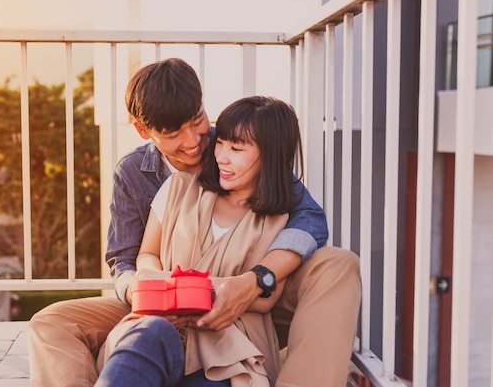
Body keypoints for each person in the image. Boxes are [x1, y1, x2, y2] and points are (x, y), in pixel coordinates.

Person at [27, 58, 361, 387]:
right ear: (144, 130)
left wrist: (256, 281)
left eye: (197, 120)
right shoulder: (135, 174)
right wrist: (146, 296)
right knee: (51, 323)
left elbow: (310, 217)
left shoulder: (236, 142)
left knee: (337, 263)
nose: (193, 142)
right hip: (164, 297)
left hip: (248, 297)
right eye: (173, 133)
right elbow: (125, 260)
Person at [96, 95, 307, 387]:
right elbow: (146, 255)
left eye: (236, 148)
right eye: (220, 142)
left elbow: (264, 298)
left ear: (270, 155)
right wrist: (165, 292)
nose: (220, 155)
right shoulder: (178, 187)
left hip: (231, 348)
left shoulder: (279, 223)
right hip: (164, 324)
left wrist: (193, 291)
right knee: (143, 340)